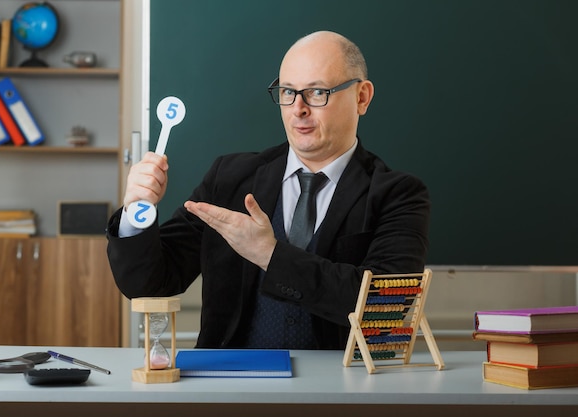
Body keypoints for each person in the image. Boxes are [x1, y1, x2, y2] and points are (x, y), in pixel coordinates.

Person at [106, 30, 430, 350]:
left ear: (362, 97)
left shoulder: (398, 195)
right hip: (234, 391)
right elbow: (149, 284)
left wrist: (270, 255)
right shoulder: (230, 179)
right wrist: (136, 213)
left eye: (317, 92)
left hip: (343, 393)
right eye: (288, 92)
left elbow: (385, 309)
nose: (298, 109)